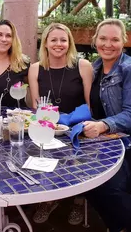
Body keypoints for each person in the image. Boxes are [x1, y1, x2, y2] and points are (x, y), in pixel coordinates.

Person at [28, 23, 93, 225]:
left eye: (63, 40)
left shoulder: (83, 66)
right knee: (43, 159)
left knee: (78, 165)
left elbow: (90, 105)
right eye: (53, 40)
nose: (58, 44)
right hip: (50, 128)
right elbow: (37, 105)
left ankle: (77, 201)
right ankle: (50, 200)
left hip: (77, 127)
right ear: (45, 43)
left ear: (69, 43)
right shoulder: (35, 69)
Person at [83, 19, 131, 232]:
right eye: (103, 38)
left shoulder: (128, 69)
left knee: (110, 187)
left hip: (125, 142)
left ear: (124, 42)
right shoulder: (93, 68)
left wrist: (103, 125)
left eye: (114, 39)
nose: (108, 44)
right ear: (95, 40)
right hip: (101, 143)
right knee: (86, 182)